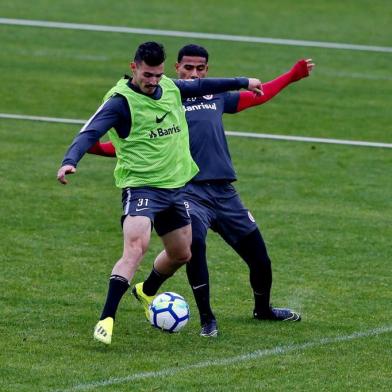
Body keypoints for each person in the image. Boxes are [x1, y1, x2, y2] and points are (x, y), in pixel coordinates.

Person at [89, 44, 315, 337]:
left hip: (224, 192)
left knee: (259, 257)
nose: (194, 73)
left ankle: (263, 309)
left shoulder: (214, 96)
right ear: (176, 69)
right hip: (186, 190)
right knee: (195, 248)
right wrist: (92, 148)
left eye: (200, 68)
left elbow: (257, 95)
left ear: (206, 70)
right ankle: (207, 319)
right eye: (188, 68)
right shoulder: (166, 98)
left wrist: (291, 76)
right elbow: (131, 146)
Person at [57, 41, 263, 344]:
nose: (153, 82)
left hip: (173, 190)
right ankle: (106, 319)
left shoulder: (169, 87)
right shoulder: (119, 102)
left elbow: (205, 84)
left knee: (182, 253)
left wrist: (244, 82)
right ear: (133, 68)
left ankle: (144, 291)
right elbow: (89, 131)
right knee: (136, 247)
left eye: (157, 75)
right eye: (147, 75)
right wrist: (69, 161)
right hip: (141, 188)